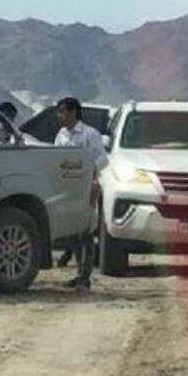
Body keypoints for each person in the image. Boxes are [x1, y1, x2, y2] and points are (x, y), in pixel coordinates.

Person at [53, 97, 108, 291]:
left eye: (62, 112)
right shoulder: (61, 135)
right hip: (67, 189)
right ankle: (79, 272)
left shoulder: (89, 134)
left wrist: (89, 172)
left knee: (86, 232)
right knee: (72, 233)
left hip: (86, 188)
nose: (59, 116)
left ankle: (85, 276)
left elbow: (102, 159)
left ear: (73, 112)